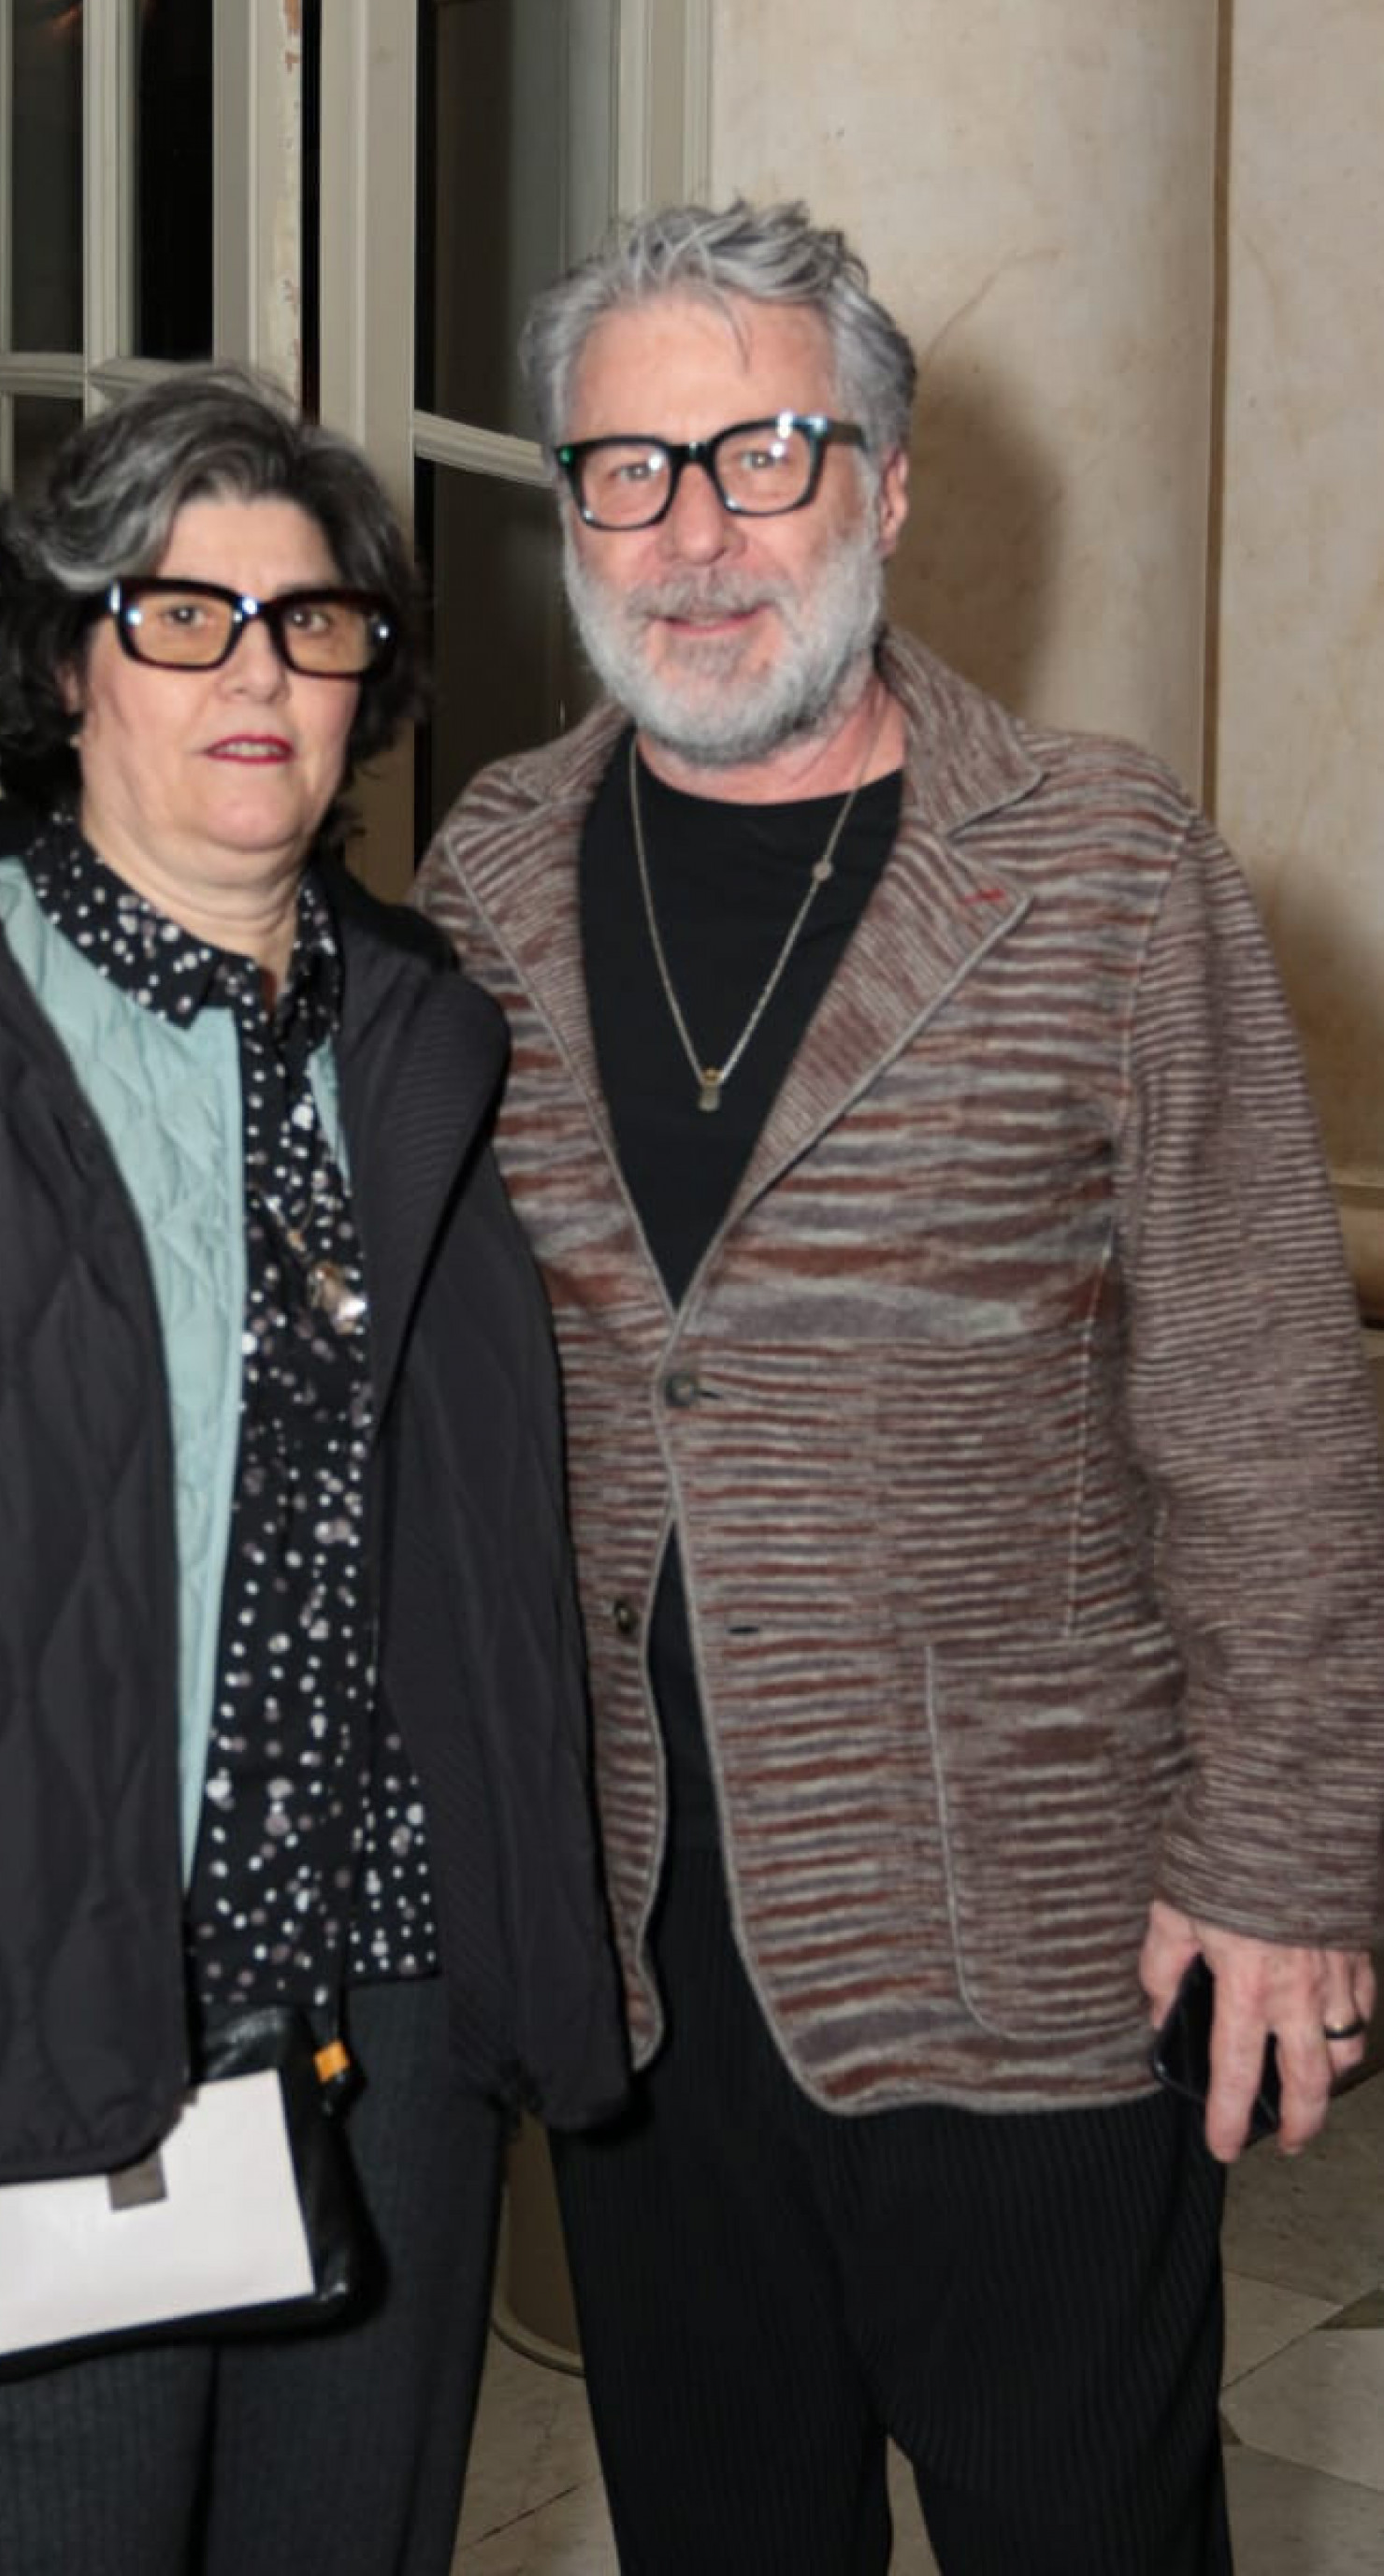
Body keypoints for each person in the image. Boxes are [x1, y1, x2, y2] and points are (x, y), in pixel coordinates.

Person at [414, 198, 1384, 2575]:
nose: (695, 534)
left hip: (1028, 1943)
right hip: (633, 1941)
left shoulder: (1101, 866)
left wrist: (1279, 1861)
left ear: (892, 483)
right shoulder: (492, 866)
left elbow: (1265, 1396)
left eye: (762, 453)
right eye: (625, 472)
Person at [0, 365, 625, 2576]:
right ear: (65, 666)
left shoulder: (427, 1034)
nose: (257, 666)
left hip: (378, 2028)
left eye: (312, 620)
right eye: (180, 611)